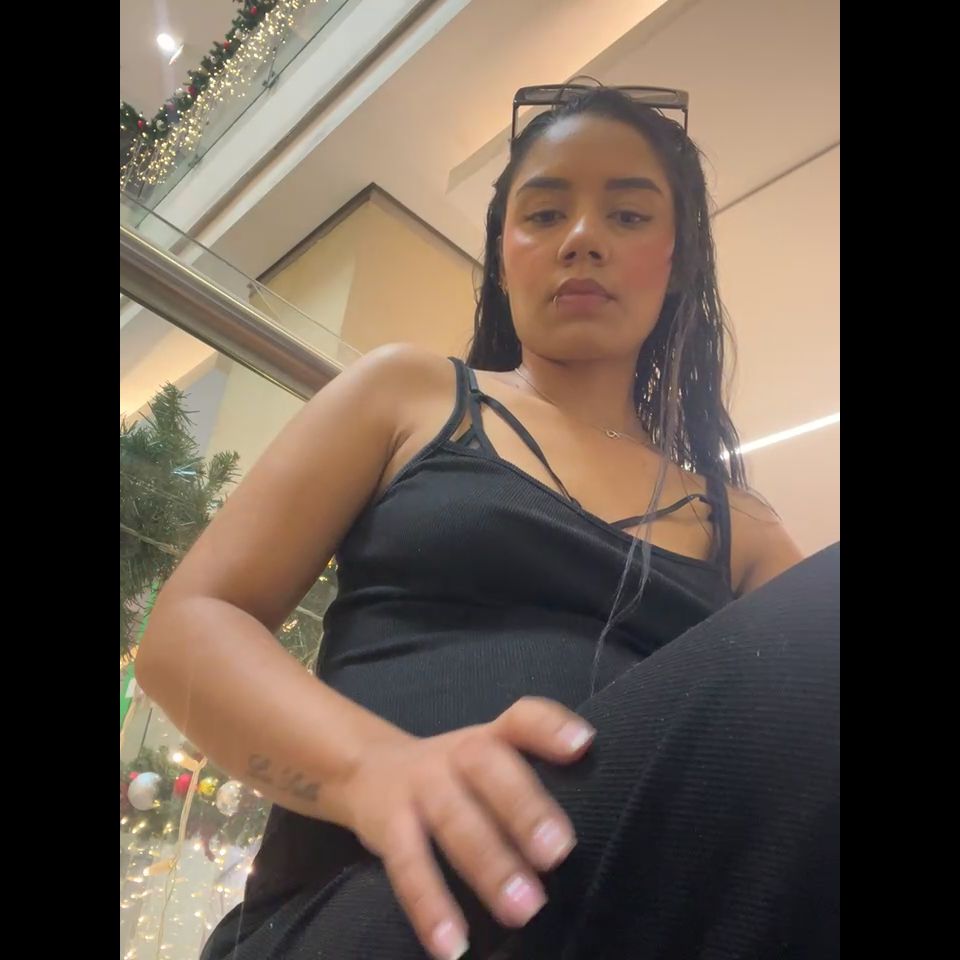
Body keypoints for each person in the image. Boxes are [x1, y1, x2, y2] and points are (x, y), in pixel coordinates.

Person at [137, 85, 839, 960]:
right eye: (544, 214)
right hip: (374, 902)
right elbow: (188, 629)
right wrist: (374, 769)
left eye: (627, 215)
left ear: (678, 262)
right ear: (504, 256)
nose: (582, 237)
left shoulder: (741, 526)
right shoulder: (411, 395)